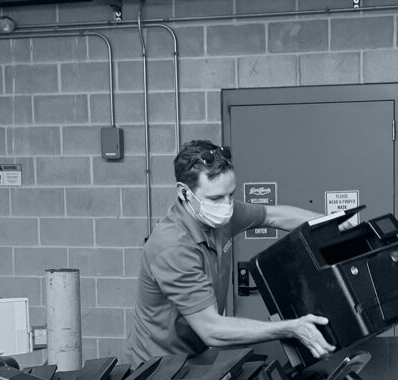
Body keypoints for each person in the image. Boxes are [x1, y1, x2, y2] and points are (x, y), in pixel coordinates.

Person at [124, 140, 335, 367]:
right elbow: (211, 329)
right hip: (155, 369)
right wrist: (291, 328)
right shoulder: (173, 248)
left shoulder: (219, 217)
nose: (226, 206)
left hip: (194, 356)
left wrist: (334, 224)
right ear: (184, 192)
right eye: (215, 198)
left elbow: (273, 216)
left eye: (230, 195)